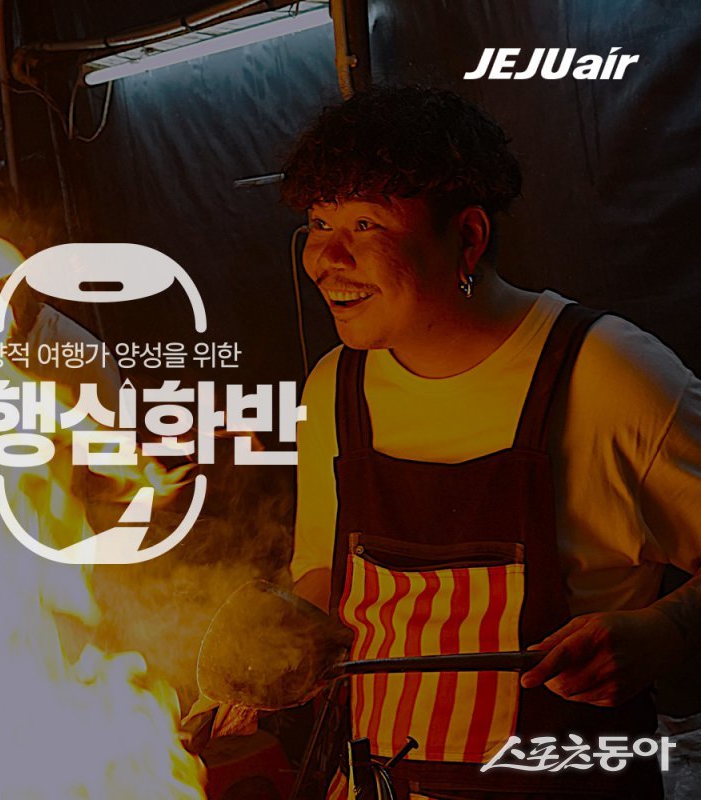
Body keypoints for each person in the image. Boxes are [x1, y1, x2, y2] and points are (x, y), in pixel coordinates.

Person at [282, 86, 701, 799]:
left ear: (468, 237)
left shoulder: (608, 375)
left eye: (365, 223)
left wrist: (664, 631)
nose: (326, 256)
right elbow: (327, 579)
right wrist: (272, 642)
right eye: (319, 222)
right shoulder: (335, 386)